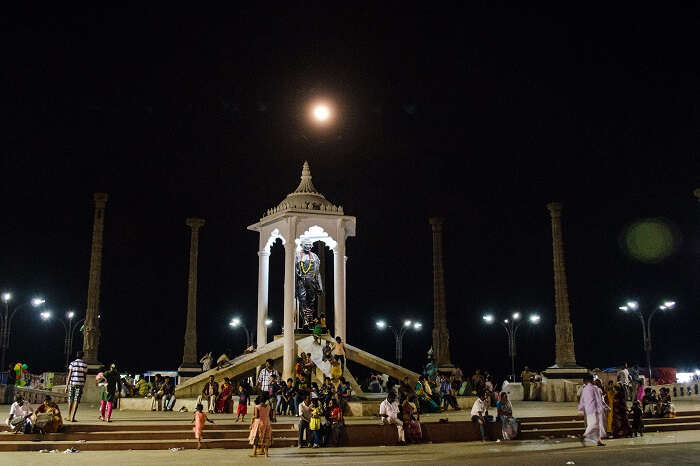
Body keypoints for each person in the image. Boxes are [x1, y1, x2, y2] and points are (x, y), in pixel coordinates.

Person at [578, 374, 607, 446]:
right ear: (591, 380)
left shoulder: (584, 389)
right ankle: (584, 436)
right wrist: (603, 407)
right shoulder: (595, 388)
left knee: (595, 426)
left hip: (588, 410)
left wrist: (580, 409)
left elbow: (582, 400)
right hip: (595, 410)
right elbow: (598, 399)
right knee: (595, 425)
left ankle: (598, 441)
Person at [64, 350, 88, 422]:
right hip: (80, 384)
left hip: (72, 384)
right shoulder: (85, 365)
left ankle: (68, 416)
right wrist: (83, 384)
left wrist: (66, 386)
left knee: (70, 400)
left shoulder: (72, 363)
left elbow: (69, 375)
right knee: (76, 400)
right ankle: (73, 417)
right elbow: (84, 376)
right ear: (82, 356)